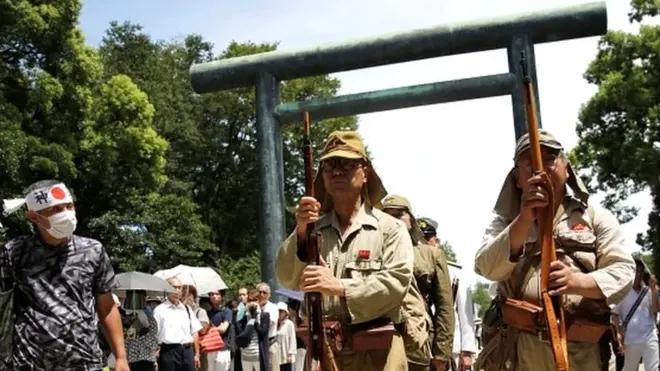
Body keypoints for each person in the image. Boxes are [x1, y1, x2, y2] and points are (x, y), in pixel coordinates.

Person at [474, 130, 636, 371]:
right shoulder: (505, 223)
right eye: (528, 162)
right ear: (517, 178)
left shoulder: (595, 217)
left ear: (567, 168)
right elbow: (486, 268)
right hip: (519, 352)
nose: (539, 168)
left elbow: (624, 271)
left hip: (582, 353)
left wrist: (579, 282)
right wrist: (524, 218)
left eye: (549, 158)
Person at [277, 131, 420, 370]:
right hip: (325, 354)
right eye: (330, 164)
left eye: (347, 162)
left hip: (378, 356)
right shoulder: (311, 231)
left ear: (365, 172)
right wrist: (301, 230)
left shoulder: (390, 228)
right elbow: (285, 277)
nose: (337, 170)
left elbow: (396, 283)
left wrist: (340, 287)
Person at [0, 180, 129, 371]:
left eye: (69, 206)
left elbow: (107, 307)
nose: (66, 213)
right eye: (56, 209)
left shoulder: (93, 250)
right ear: (34, 217)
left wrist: (120, 357)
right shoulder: (15, 251)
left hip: (84, 361)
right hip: (30, 363)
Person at [382, 196, 453, 371]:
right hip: (381, 342)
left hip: (418, 343)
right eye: (387, 215)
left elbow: (444, 306)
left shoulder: (431, 254)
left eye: (399, 215)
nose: (393, 220)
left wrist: (442, 353)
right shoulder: (374, 252)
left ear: (411, 220)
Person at [418, 216, 477, 371]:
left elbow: (466, 315)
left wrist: (467, 351)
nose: (423, 245)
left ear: (436, 242)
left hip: (452, 348)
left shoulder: (455, 273)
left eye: (426, 240)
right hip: (421, 345)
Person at [613, 258, 659, 371]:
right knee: (630, 368)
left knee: (653, 369)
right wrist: (618, 333)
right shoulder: (621, 292)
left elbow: (655, 309)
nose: (637, 274)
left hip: (650, 336)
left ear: (643, 273)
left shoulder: (648, 291)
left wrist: (654, 290)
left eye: (640, 271)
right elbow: (615, 314)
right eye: (635, 270)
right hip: (631, 340)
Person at [153, 277, 203, 371]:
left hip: (187, 351)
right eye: (174, 287)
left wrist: (197, 354)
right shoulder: (159, 310)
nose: (177, 290)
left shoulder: (187, 309)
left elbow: (194, 332)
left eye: (179, 288)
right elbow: (154, 334)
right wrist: (154, 355)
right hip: (169, 351)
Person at [236, 290, 271, 371]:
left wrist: (255, 320)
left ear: (259, 301)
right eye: (250, 301)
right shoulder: (244, 316)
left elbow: (262, 332)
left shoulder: (264, 315)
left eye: (255, 300)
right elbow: (241, 332)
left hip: (258, 354)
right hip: (245, 354)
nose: (253, 303)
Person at [207, 289, 234, 371]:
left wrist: (211, 328)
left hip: (223, 348)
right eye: (212, 294)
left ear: (222, 296)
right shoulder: (208, 313)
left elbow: (223, 329)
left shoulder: (227, 311)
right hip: (210, 347)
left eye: (217, 294)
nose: (214, 296)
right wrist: (217, 328)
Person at [275, 302, 296, 371]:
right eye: (278, 311)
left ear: (285, 312)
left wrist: (290, 353)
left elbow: (292, 339)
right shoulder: (274, 323)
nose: (279, 313)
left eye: (281, 311)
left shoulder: (289, 324)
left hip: (286, 354)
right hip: (276, 354)